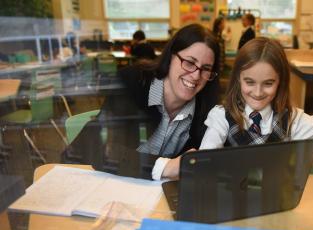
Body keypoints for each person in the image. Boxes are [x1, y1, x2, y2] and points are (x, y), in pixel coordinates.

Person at [62, 24, 220, 180]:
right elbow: (105, 152)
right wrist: (166, 168)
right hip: (104, 183)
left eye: (206, 69)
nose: (196, 76)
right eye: (190, 63)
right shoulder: (133, 84)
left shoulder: (205, 110)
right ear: (171, 56)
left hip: (154, 197)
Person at [200, 37, 313, 162]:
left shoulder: (293, 119)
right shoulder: (221, 116)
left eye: (268, 83)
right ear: (238, 78)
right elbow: (204, 159)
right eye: (250, 82)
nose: (258, 92)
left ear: (280, 81)